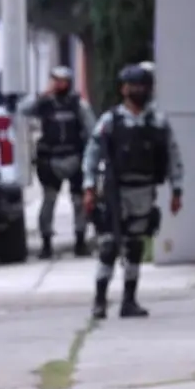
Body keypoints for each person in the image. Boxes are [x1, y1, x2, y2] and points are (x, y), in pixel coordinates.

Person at [82, 64, 183, 319]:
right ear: (123, 89)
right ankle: (100, 300)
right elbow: (92, 153)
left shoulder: (158, 122)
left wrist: (177, 189)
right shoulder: (111, 121)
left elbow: (173, 155)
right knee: (108, 245)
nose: (138, 91)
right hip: (115, 191)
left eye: (142, 86)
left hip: (144, 190)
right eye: (132, 86)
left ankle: (129, 300)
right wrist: (89, 186)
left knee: (135, 246)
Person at [19, 65, 96, 259]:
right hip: (50, 160)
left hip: (75, 158)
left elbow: (91, 129)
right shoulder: (44, 103)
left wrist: (92, 156)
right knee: (49, 200)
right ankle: (46, 243)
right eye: (56, 81)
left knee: (78, 201)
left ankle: (80, 241)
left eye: (63, 81)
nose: (59, 85)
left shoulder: (78, 104)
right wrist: (41, 95)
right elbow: (23, 109)